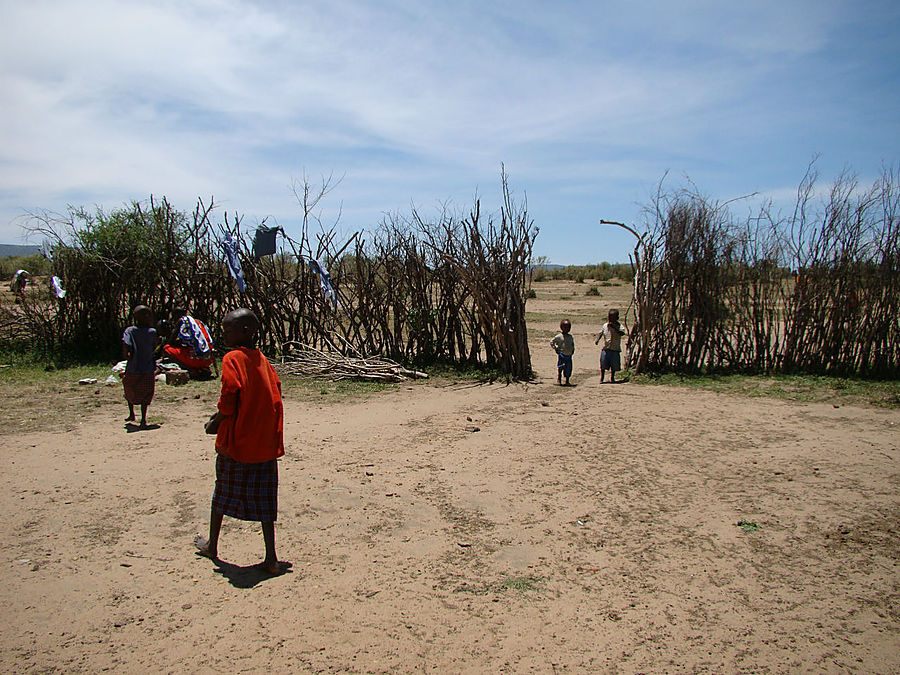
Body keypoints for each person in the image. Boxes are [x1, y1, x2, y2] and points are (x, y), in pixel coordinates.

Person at [194, 308, 285, 575]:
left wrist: (217, 420)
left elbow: (230, 395)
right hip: (263, 443)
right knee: (266, 502)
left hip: (238, 442)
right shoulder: (263, 360)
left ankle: (212, 545)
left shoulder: (232, 358)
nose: (224, 334)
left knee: (222, 493)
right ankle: (271, 558)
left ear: (245, 331)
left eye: (227, 330)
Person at [121, 305, 159, 428]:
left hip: (139, 366)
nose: (149, 317)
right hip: (141, 366)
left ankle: (138, 416)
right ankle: (137, 416)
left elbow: (126, 344)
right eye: (146, 315)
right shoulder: (144, 332)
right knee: (138, 390)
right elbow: (154, 346)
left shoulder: (135, 331)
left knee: (136, 390)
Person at [163, 307, 217, 379]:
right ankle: (202, 368)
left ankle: (190, 370)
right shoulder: (198, 322)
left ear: (176, 316)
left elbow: (171, 341)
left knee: (166, 348)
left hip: (195, 359)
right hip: (209, 358)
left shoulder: (181, 321)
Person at [595, 309, 627, 383]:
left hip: (615, 349)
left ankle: (612, 377)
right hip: (606, 348)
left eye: (612, 317)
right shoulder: (605, 325)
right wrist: (597, 339)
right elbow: (601, 332)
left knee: (614, 365)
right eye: (609, 317)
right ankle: (602, 378)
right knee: (603, 364)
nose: (610, 319)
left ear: (617, 318)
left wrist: (614, 327)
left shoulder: (619, 326)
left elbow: (622, 333)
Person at [550, 318, 575, 386]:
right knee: (560, 367)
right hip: (562, 355)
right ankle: (559, 379)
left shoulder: (570, 337)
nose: (566, 329)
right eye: (565, 327)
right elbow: (552, 342)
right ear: (561, 327)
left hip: (569, 355)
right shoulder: (559, 336)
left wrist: (573, 350)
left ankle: (567, 380)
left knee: (568, 368)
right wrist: (556, 349)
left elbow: (572, 344)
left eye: (568, 327)